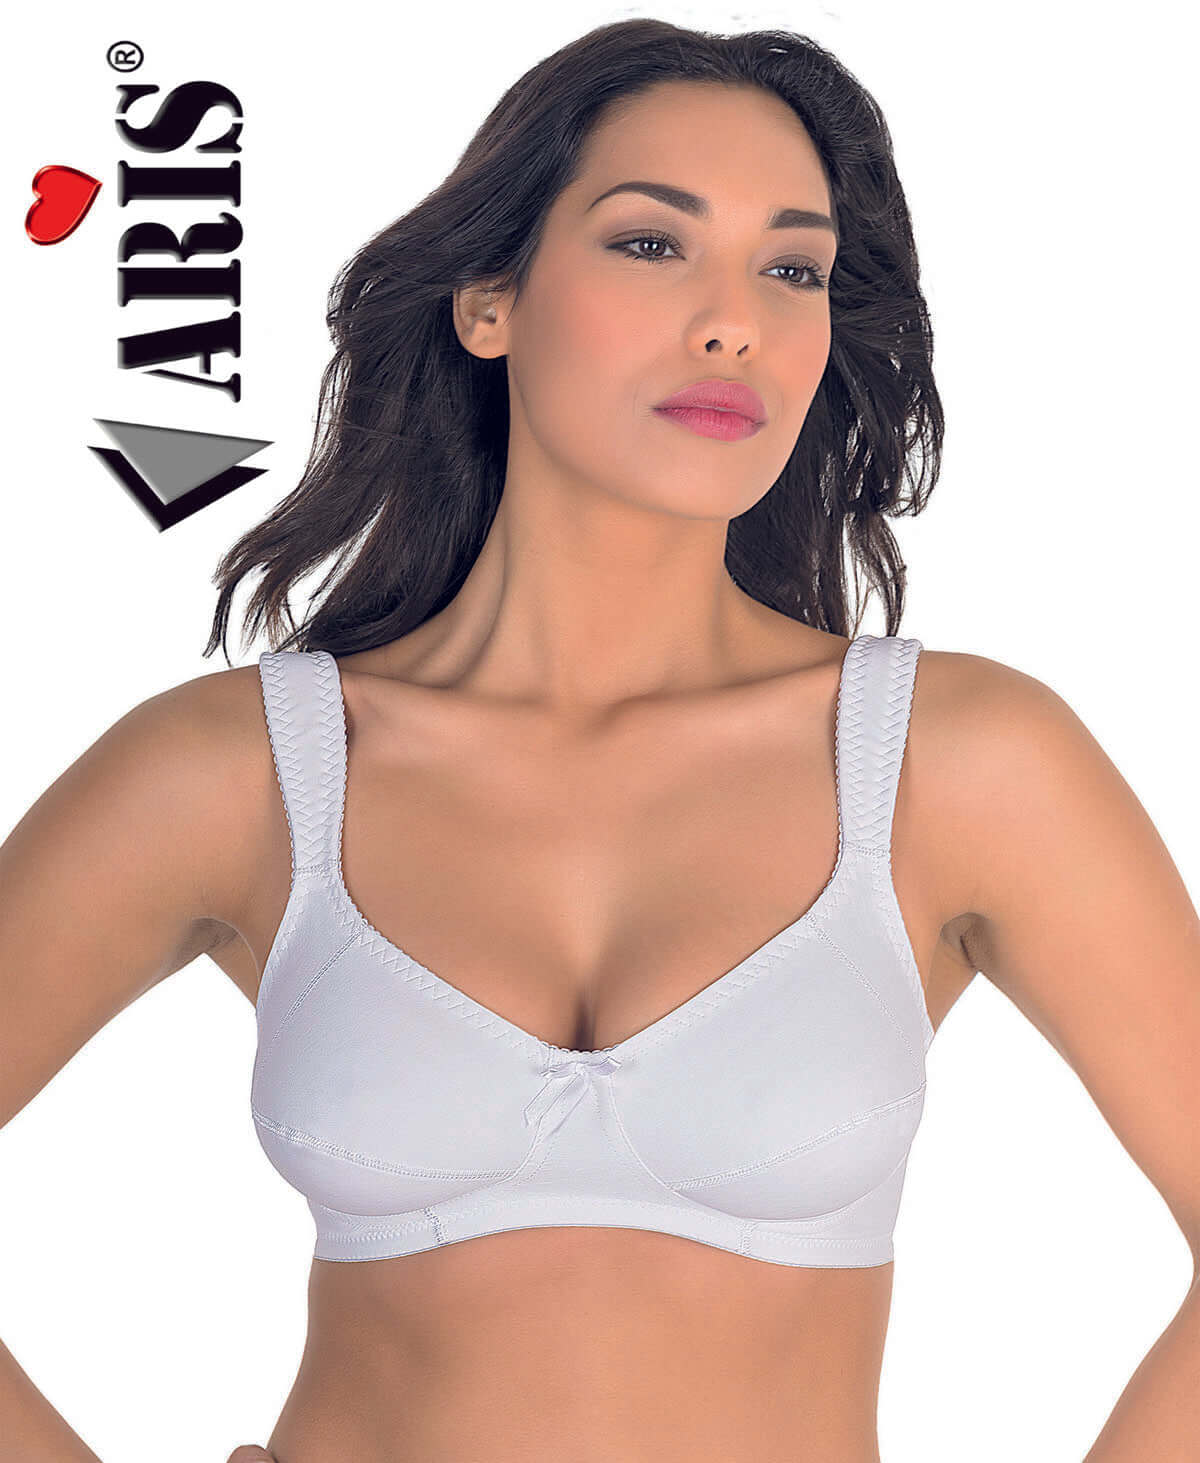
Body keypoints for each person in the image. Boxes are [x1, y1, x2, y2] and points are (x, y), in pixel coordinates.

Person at [3, 19, 1197, 1463]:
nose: (734, 322)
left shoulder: (959, 762)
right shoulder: (244, 770)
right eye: (651, 244)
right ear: (489, 301)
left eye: (793, 269)